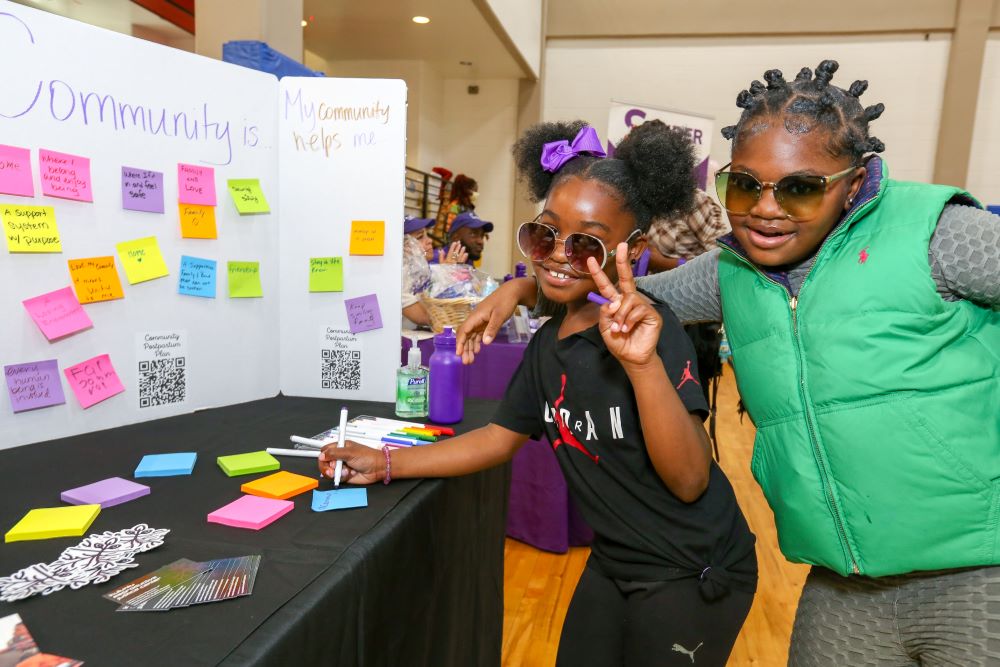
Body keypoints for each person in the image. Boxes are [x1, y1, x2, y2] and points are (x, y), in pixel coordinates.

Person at [457, 60, 1000, 665]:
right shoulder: (732, 272)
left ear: (852, 182)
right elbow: (617, 288)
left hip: (975, 569)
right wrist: (520, 290)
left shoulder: (936, 236)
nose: (766, 210)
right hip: (844, 577)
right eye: (743, 186)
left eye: (798, 187)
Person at [322, 121, 757, 666]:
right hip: (617, 560)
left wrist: (642, 367)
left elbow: (691, 481)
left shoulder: (653, 330)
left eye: (587, 243)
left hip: (693, 567)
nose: (557, 255)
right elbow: (499, 437)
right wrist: (388, 462)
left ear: (634, 248)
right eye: (544, 234)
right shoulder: (550, 345)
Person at [401, 216, 467, 328]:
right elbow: (433, 319)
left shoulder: (424, 272)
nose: (430, 240)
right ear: (404, 247)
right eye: (420, 237)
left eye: (427, 234)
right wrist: (446, 273)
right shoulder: (400, 278)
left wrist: (448, 272)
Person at [432, 173, 478, 243]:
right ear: (466, 191)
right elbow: (449, 227)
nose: (476, 194)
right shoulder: (455, 206)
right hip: (457, 244)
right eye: (475, 191)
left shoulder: (468, 206)